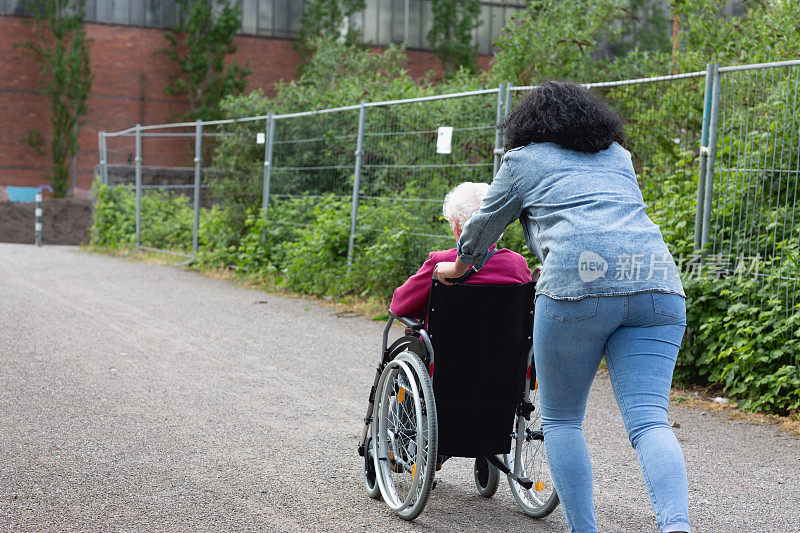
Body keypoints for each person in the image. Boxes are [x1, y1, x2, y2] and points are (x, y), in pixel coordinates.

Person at [434, 81, 690, 533]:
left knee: (561, 419)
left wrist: (457, 268)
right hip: (656, 281)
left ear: (527, 124)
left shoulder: (521, 161)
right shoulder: (617, 155)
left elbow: (481, 228)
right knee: (651, 421)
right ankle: (677, 528)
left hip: (578, 286)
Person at [389, 181, 532, 320]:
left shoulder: (441, 264)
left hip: (444, 344)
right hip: (504, 344)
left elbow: (398, 306)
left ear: (457, 228)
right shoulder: (516, 264)